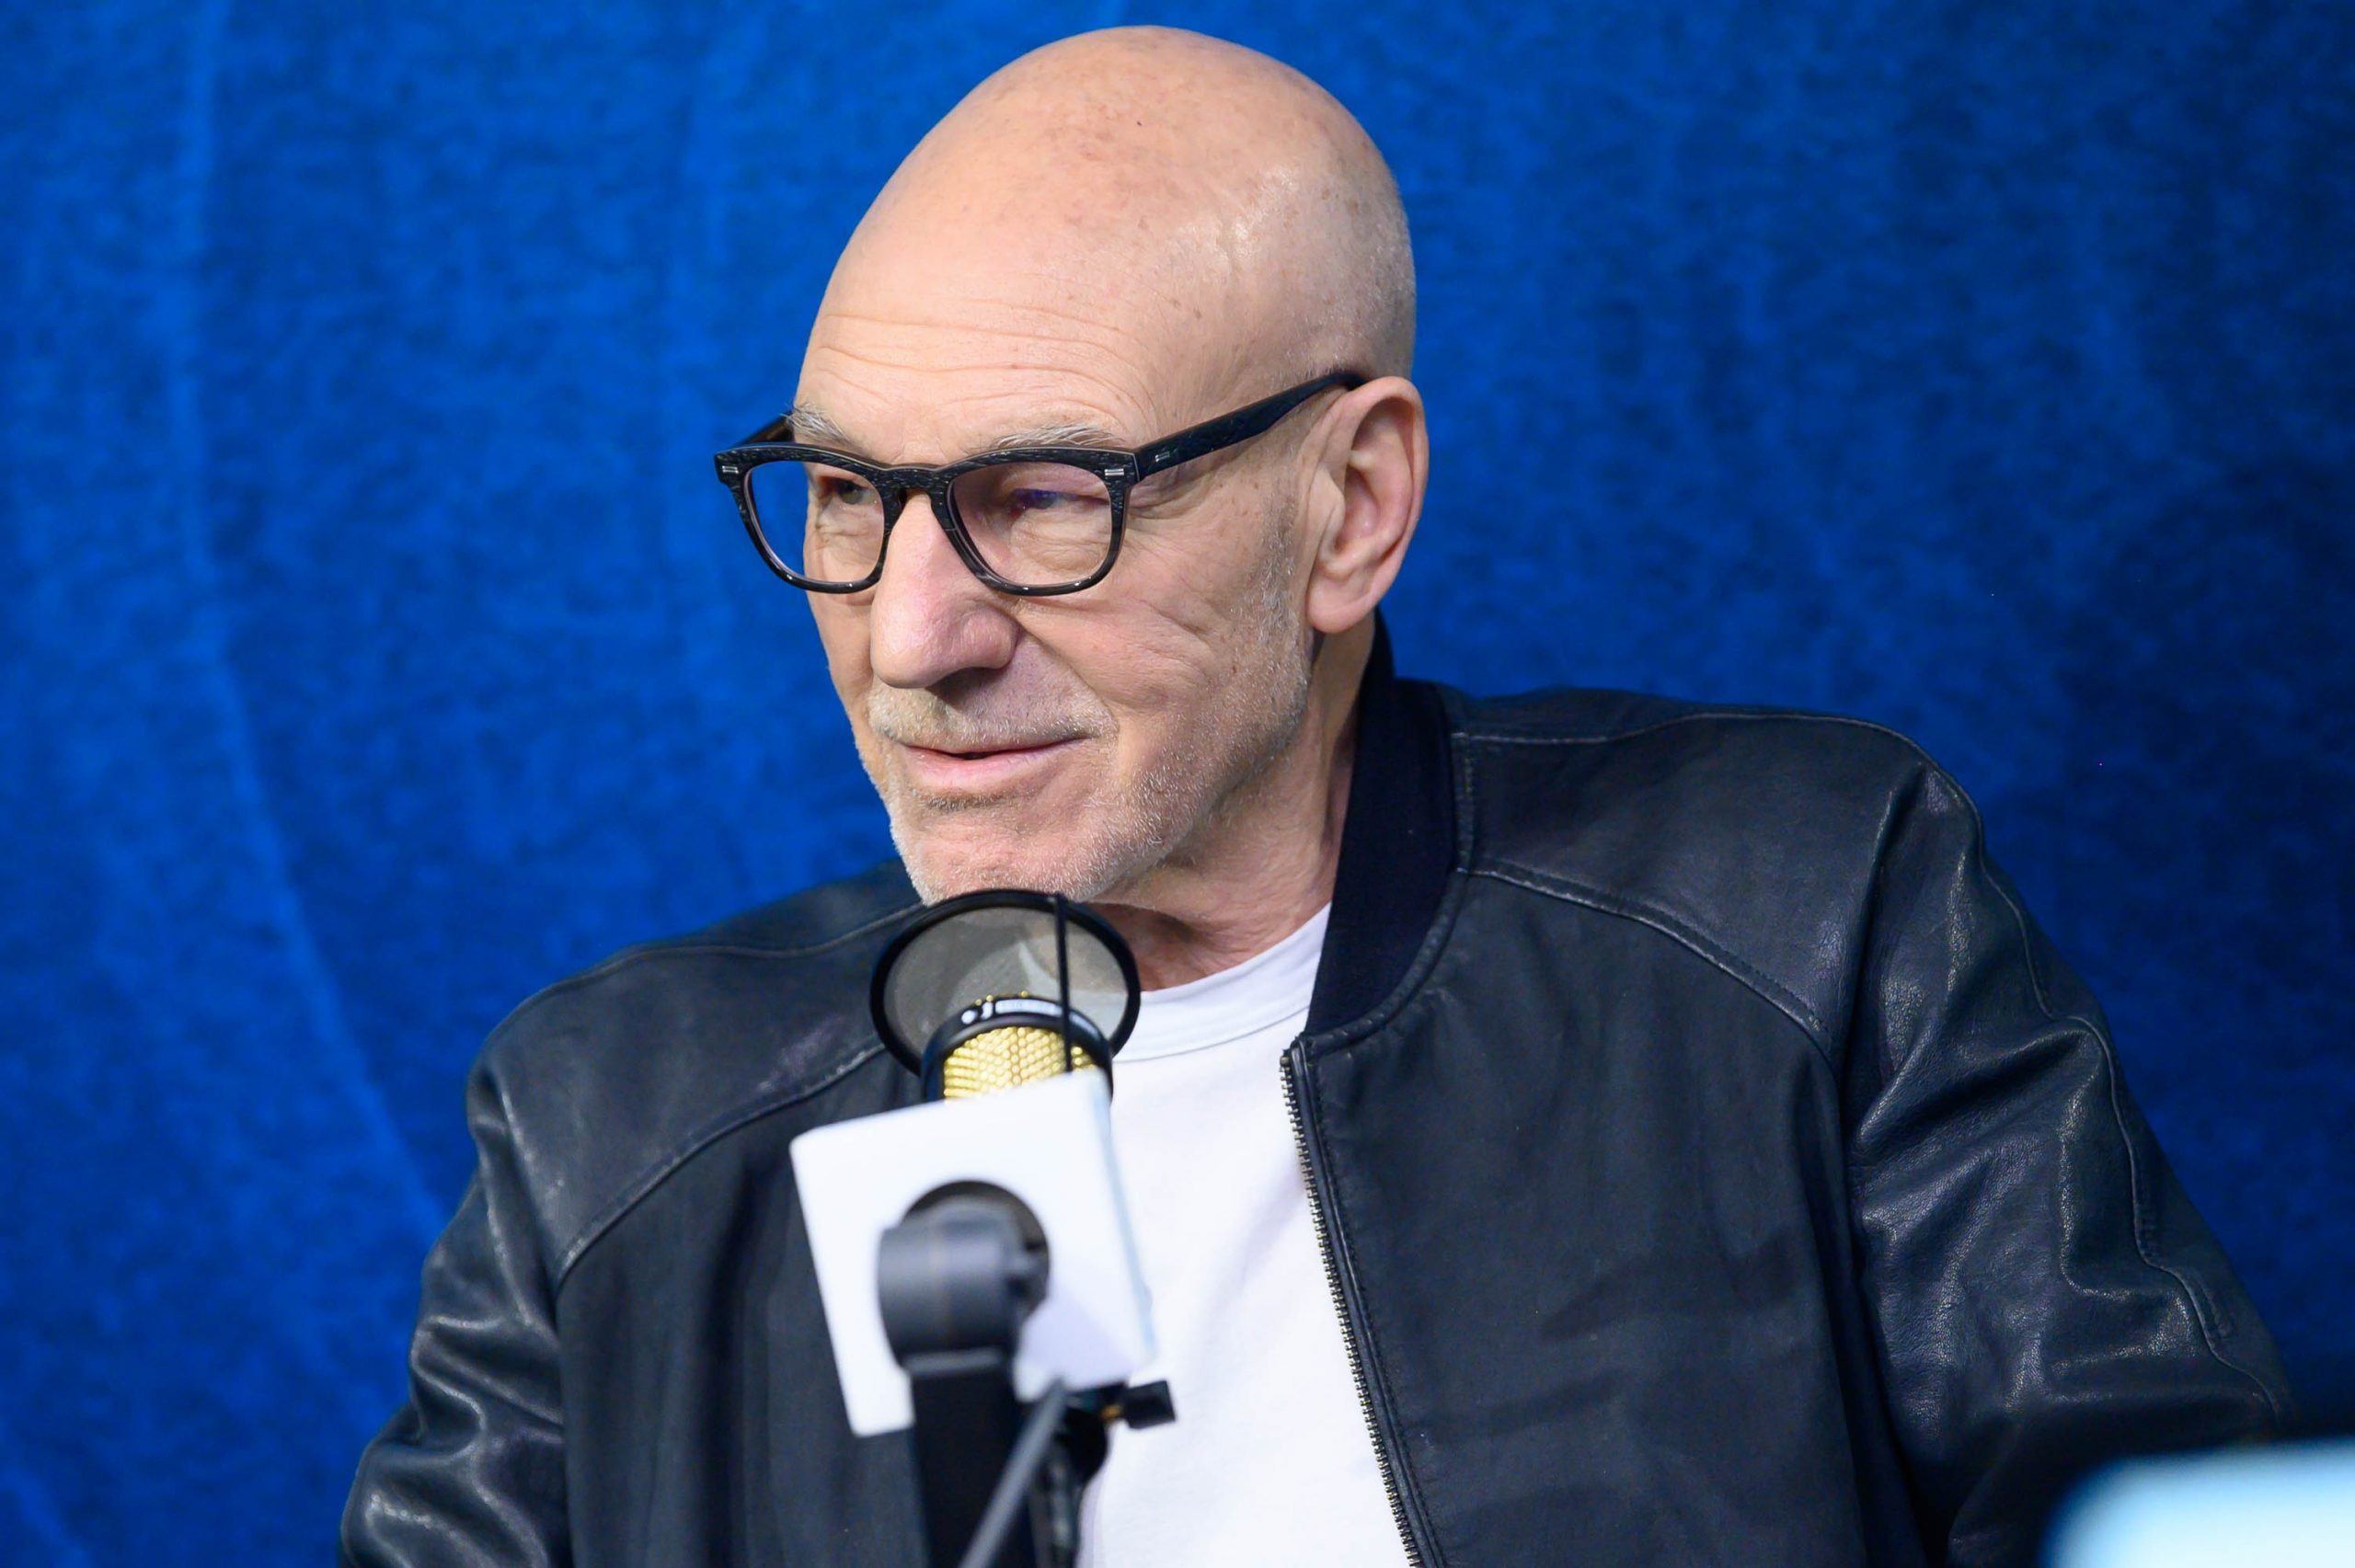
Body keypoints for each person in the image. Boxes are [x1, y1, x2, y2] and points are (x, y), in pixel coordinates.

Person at [340, 27, 2292, 1568]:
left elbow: (2156, 1508)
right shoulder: (611, 1123)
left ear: (1350, 507)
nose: (910, 636)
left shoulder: (1803, 911)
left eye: (1043, 499)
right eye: (848, 493)